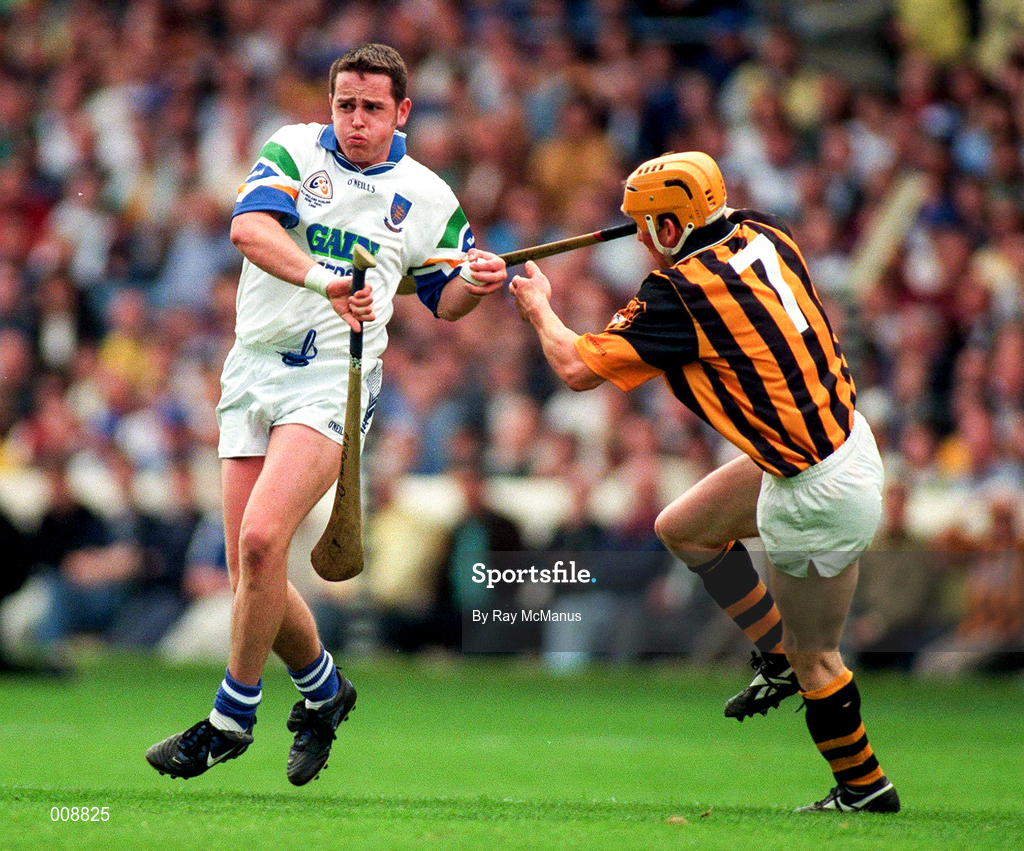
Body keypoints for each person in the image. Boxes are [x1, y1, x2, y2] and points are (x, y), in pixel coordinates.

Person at [146, 43, 506, 785]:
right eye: (346, 104)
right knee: (257, 574)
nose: (356, 120)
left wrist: (480, 279)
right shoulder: (292, 147)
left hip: (330, 382)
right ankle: (325, 690)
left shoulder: (428, 194)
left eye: (373, 108)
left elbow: (447, 301)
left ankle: (228, 718)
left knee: (258, 540)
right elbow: (249, 230)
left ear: (402, 111)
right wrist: (326, 279)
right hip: (251, 369)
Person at [510, 151, 897, 813]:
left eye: (645, 224)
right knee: (682, 529)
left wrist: (541, 307)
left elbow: (576, 368)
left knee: (818, 660)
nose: (637, 237)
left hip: (819, 487)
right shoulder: (764, 231)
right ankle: (774, 652)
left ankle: (864, 786)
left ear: (670, 227)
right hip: (831, 441)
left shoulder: (681, 294)